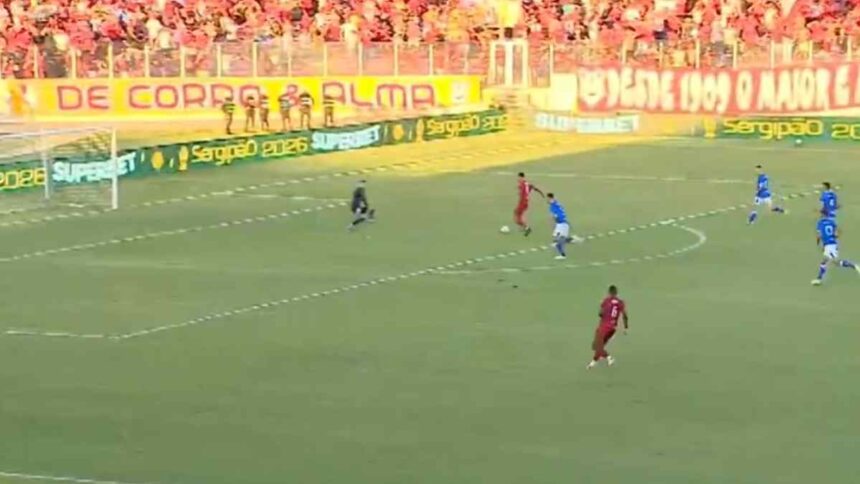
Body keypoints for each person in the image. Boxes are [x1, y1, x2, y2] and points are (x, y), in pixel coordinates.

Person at [811, 212, 859, 285]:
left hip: (829, 245)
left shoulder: (820, 223)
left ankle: (854, 266)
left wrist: (818, 244)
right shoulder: (831, 222)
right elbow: (839, 231)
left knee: (835, 262)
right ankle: (819, 279)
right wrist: (835, 237)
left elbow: (819, 235)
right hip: (832, 243)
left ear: (822, 215)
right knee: (825, 261)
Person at [588, 285, 629, 369]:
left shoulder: (606, 301)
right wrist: (626, 328)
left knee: (595, 346)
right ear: (616, 292)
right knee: (600, 346)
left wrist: (603, 311)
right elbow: (625, 315)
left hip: (604, 326)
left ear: (609, 292)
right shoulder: (620, 302)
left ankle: (609, 358)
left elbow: (600, 314)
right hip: (613, 328)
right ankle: (593, 362)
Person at [547, 193, 569, 260]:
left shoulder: (552, 206)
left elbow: (554, 217)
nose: (547, 200)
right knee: (557, 240)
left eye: (547, 198)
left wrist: (552, 224)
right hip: (563, 224)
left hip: (561, 224)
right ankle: (562, 254)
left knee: (557, 241)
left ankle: (562, 255)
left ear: (550, 198)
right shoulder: (557, 204)